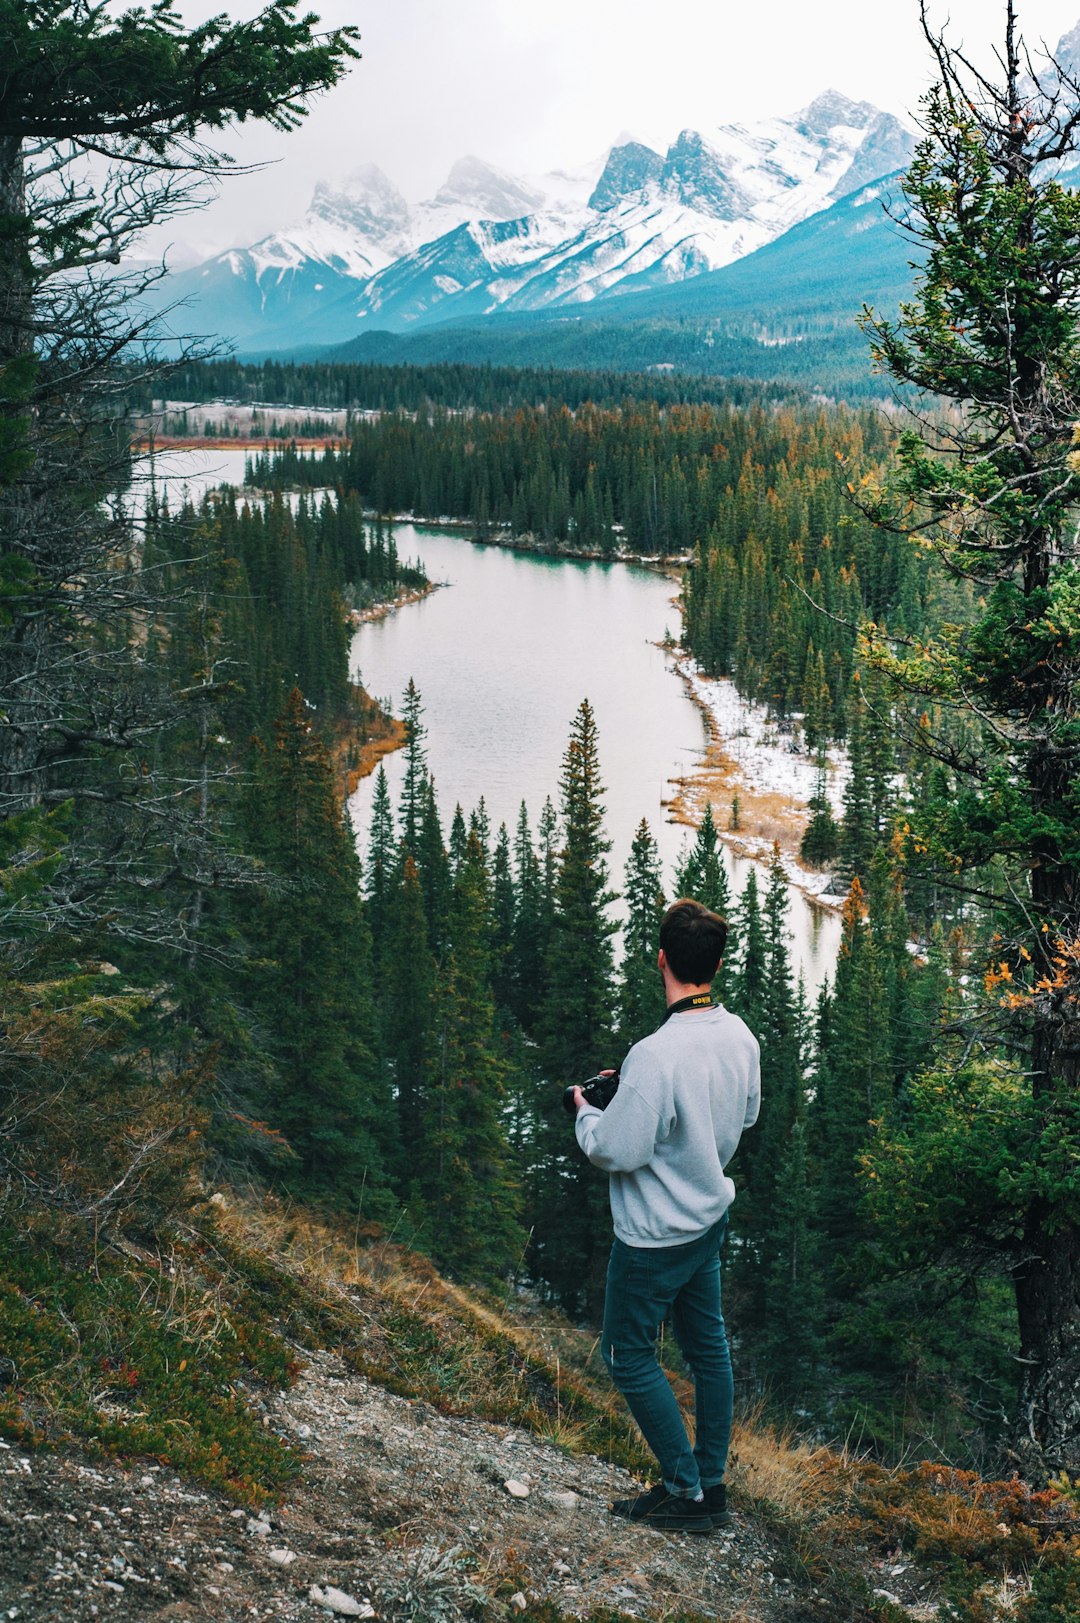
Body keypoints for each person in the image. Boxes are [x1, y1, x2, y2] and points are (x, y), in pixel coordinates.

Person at [571, 897, 760, 1534]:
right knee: (709, 1353)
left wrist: (588, 1110)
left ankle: (684, 1491)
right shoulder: (740, 1036)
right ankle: (711, 1482)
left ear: (661, 960)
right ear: (717, 962)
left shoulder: (655, 1054)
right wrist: (636, 1092)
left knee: (627, 1355)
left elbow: (615, 1149)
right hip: (707, 1223)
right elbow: (747, 1113)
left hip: (653, 1238)